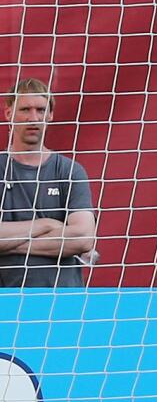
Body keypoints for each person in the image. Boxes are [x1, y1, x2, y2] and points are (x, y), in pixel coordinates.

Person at [0, 79, 98, 288]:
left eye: (41, 110)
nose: (33, 118)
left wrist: (9, 243)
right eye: (25, 109)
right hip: (5, 300)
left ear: (50, 115)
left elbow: (82, 238)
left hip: (62, 301)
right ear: (8, 114)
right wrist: (48, 225)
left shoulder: (69, 171)